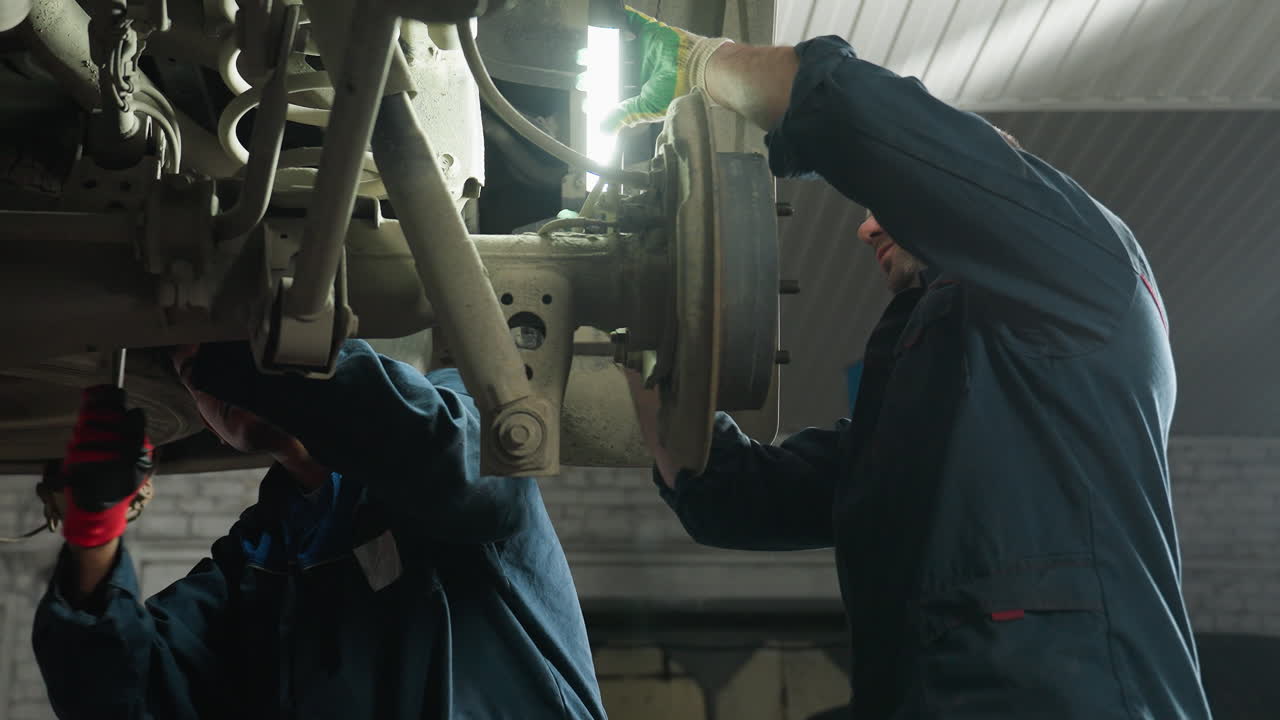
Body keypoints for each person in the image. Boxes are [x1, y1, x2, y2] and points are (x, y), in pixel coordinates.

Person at [613, 7, 1211, 719]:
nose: (866, 226)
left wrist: (705, 63)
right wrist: (644, 331)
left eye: (885, 204)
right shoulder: (943, 405)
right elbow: (732, 497)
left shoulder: (1091, 274)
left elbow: (876, 126)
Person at [32, 339, 606, 720]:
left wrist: (250, 361)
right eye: (191, 377)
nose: (213, 388)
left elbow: (463, 469)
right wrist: (95, 525)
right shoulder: (259, 563)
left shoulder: (453, 426)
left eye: (223, 357)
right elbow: (126, 693)